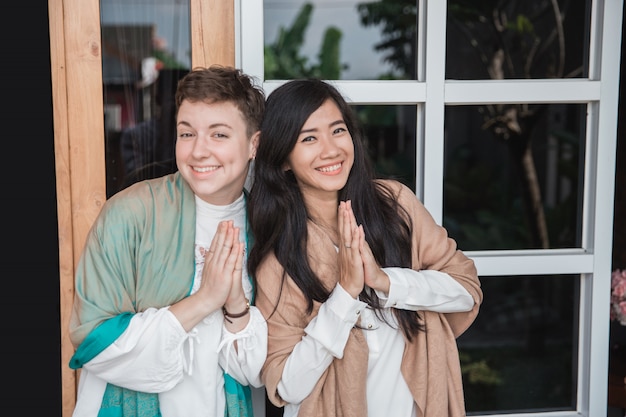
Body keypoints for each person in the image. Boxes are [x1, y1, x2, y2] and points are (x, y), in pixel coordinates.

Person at [247, 79, 483, 417]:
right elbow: (285, 385)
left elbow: (466, 290)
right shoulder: (280, 259)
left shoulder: (395, 205)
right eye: (309, 138)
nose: (330, 149)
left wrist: (385, 281)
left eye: (337, 130)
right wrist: (344, 295)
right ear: (283, 158)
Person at [69, 65, 268, 417]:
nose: (198, 152)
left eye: (219, 135)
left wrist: (236, 305)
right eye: (187, 134)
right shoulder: (130, 215)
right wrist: (205, 300)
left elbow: (253, 373)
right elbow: (92, 341)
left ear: (254, 143)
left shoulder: (266, 229)